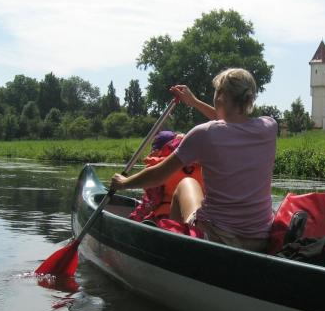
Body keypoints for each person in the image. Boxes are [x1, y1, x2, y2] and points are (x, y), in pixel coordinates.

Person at [112, 68, 277, 252]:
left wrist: (124, 183)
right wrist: (194, 102)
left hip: (217, 237)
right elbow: (234, 121)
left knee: (186, 183)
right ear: (249, 98)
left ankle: (170, 251)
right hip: (260, 240)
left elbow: (159, 175)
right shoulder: (269, 127)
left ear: (220, 96)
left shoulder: (205, 133)